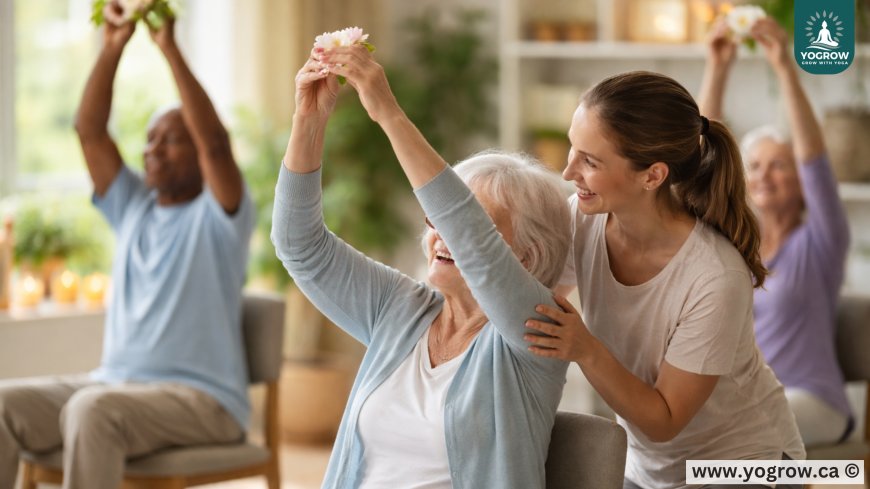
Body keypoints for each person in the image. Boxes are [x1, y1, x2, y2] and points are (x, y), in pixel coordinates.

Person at [499, 51, 805, 489]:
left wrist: (585, 347)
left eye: (590, 161)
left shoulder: (714, 276)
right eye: (573, 148)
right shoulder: (582, 219)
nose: (568, 172)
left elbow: (664, 420)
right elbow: (535, 299)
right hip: (650, 470)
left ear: (652, 175)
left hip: (750, 462)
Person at [271, 47, 573, 488]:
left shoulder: (534, 333)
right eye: (435, 222)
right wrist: (309, 121)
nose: (442, 235)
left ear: (526, 257)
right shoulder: (400, 309)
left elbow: (474, 244)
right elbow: (299, 246)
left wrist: (389, 114)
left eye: (469, 225)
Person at [0, 3, 254, 489]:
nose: (152, 150)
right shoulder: (133, 207)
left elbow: (217, 144)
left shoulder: (221, 216)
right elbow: (89, 131)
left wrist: (169, 48)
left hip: (203, 400)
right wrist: (113, 47)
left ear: (199, 157)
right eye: (149, 139)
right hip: (114, 385)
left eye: (171, 141)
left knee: (93, 410)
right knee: (3, 405)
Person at [699, 17, 852, 447]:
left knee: (737, 438)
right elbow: (701, 161)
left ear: (802, 182)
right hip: (746, 403)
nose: (765, 175)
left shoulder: (821, 241)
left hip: (813, 400)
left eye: (779, 164)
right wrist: (718, 67)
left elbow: (816, 162)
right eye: (756, 166)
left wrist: (785, 65)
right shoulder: (733, 243)